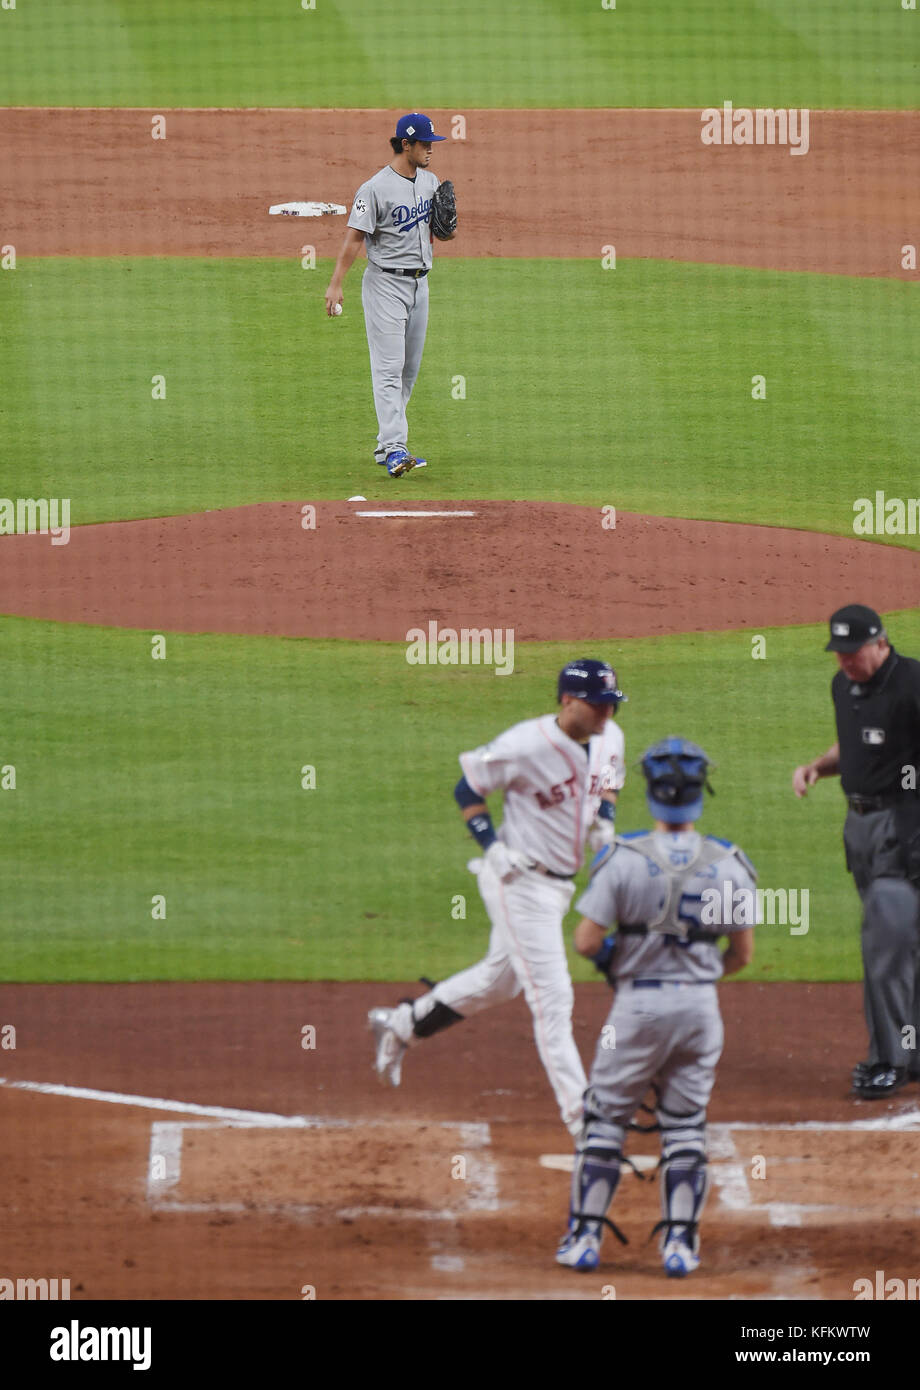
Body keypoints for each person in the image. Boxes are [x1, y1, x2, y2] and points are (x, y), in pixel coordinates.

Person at [368, 659, 628, 1136]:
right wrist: (493, 848)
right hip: (518, 883)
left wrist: (603, 821)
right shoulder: (524, 745)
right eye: (597, 705)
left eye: (611, 705)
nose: (606, 715)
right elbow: (467, 786)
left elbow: (608, 782)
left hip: (560, 886)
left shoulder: (610, 736)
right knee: (553, 998)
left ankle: (404, 1024)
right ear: (567, 701)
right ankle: (583, 1120)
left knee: (500, 980)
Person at [555, 738, 756, 1276]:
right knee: (686, 1125)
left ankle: (585, 1240)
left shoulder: (623, 859)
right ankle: (680, 1248)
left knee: (605, 1120)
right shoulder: (731, 865)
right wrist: (699, 971)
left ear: (651, 794)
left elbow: (585, 940)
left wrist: (623, 960)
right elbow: (740, 954)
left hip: (636, 1010)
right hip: (699, 1012)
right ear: (699, 795)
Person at [793, 604, 920, 1099]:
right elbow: (853, 746)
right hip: (861, 828)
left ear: (880, 643)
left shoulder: (912, 685)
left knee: (885, 945)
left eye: (852, 653)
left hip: (905, 828)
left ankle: (888, 1061)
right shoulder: (842, 686)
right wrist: (816, 768)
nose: (844, 661)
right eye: (838, 653)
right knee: (903, 941)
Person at [324, 113, 455, 478]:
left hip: (420, 285)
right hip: (385, 285)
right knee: (388, 369)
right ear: (405, 145)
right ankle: (397, 449)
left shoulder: (429, 182)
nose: (431, 149)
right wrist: (336, 284)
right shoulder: (374, 188)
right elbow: (354, 239)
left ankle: (387, 445)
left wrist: (446, 231)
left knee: (408, 370)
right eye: (425, 143)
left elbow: (440, 232)